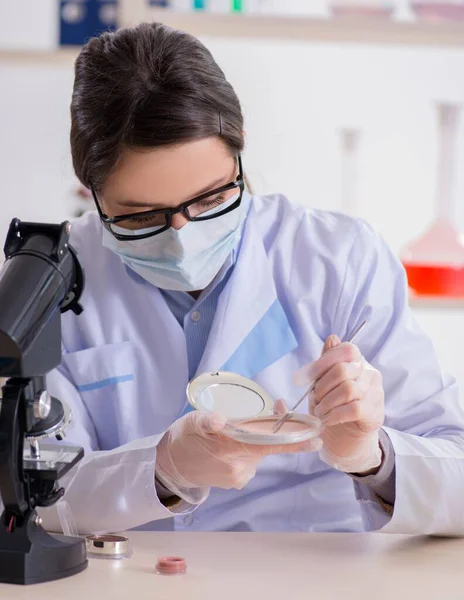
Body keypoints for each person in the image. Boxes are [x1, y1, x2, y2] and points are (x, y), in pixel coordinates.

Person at [39, 22, 464, 535]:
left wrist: (371, 455)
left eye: (212, 198)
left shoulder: (337, 260)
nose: (181, 237)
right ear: (90, 192)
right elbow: (32, 499)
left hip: (312, 576)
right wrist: (161, 469)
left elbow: (456, 477)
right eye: (141, 217)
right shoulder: (51, 276)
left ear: (240, 156)